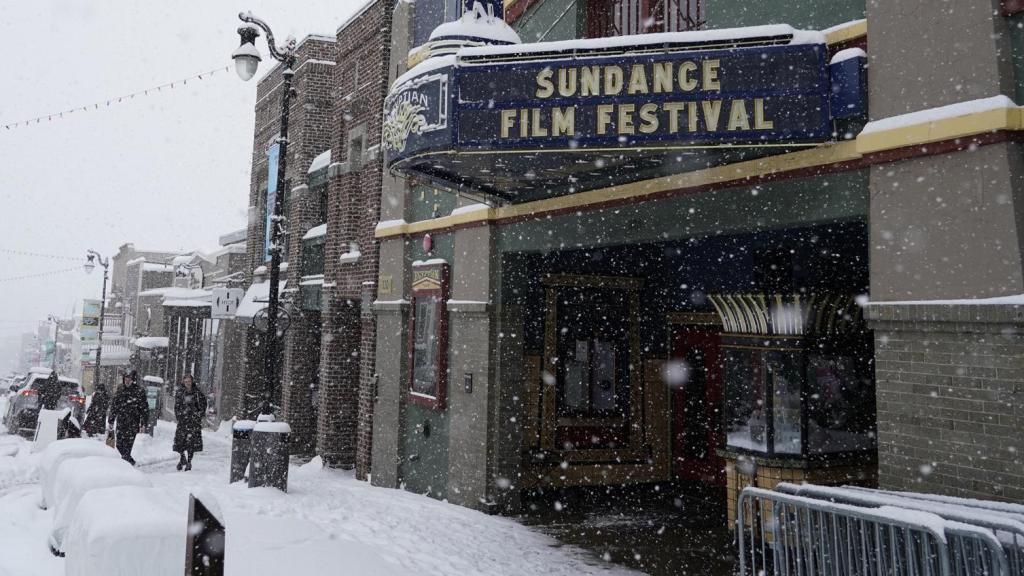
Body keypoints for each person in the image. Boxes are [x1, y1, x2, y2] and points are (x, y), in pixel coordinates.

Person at [107, 371, 147, 465]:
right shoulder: (120, 390)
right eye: (126, 379)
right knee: (119, 444)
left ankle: (126, 464)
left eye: (129, 379)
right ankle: (129, 460)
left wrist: (143, 423)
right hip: (121, 421)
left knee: (128, 445)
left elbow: (144, 409)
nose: (127, 381)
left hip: (133, 422)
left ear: (133, 380)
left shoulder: (139, 391)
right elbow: (114, 406)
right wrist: (111, 420)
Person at [173, 374, 206, 471]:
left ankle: (189, 461)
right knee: (180, 441)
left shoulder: (197, 393)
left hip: (193, 422)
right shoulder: (180, 393)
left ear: (192, 382)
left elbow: (203, 405)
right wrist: (179, 416)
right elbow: (177, 406)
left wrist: (198, 415)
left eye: (189, 381)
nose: (188, 383)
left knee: (191, 442)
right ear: (183, 382)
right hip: (183, 421)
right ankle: (182, 458)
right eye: (186, 381)